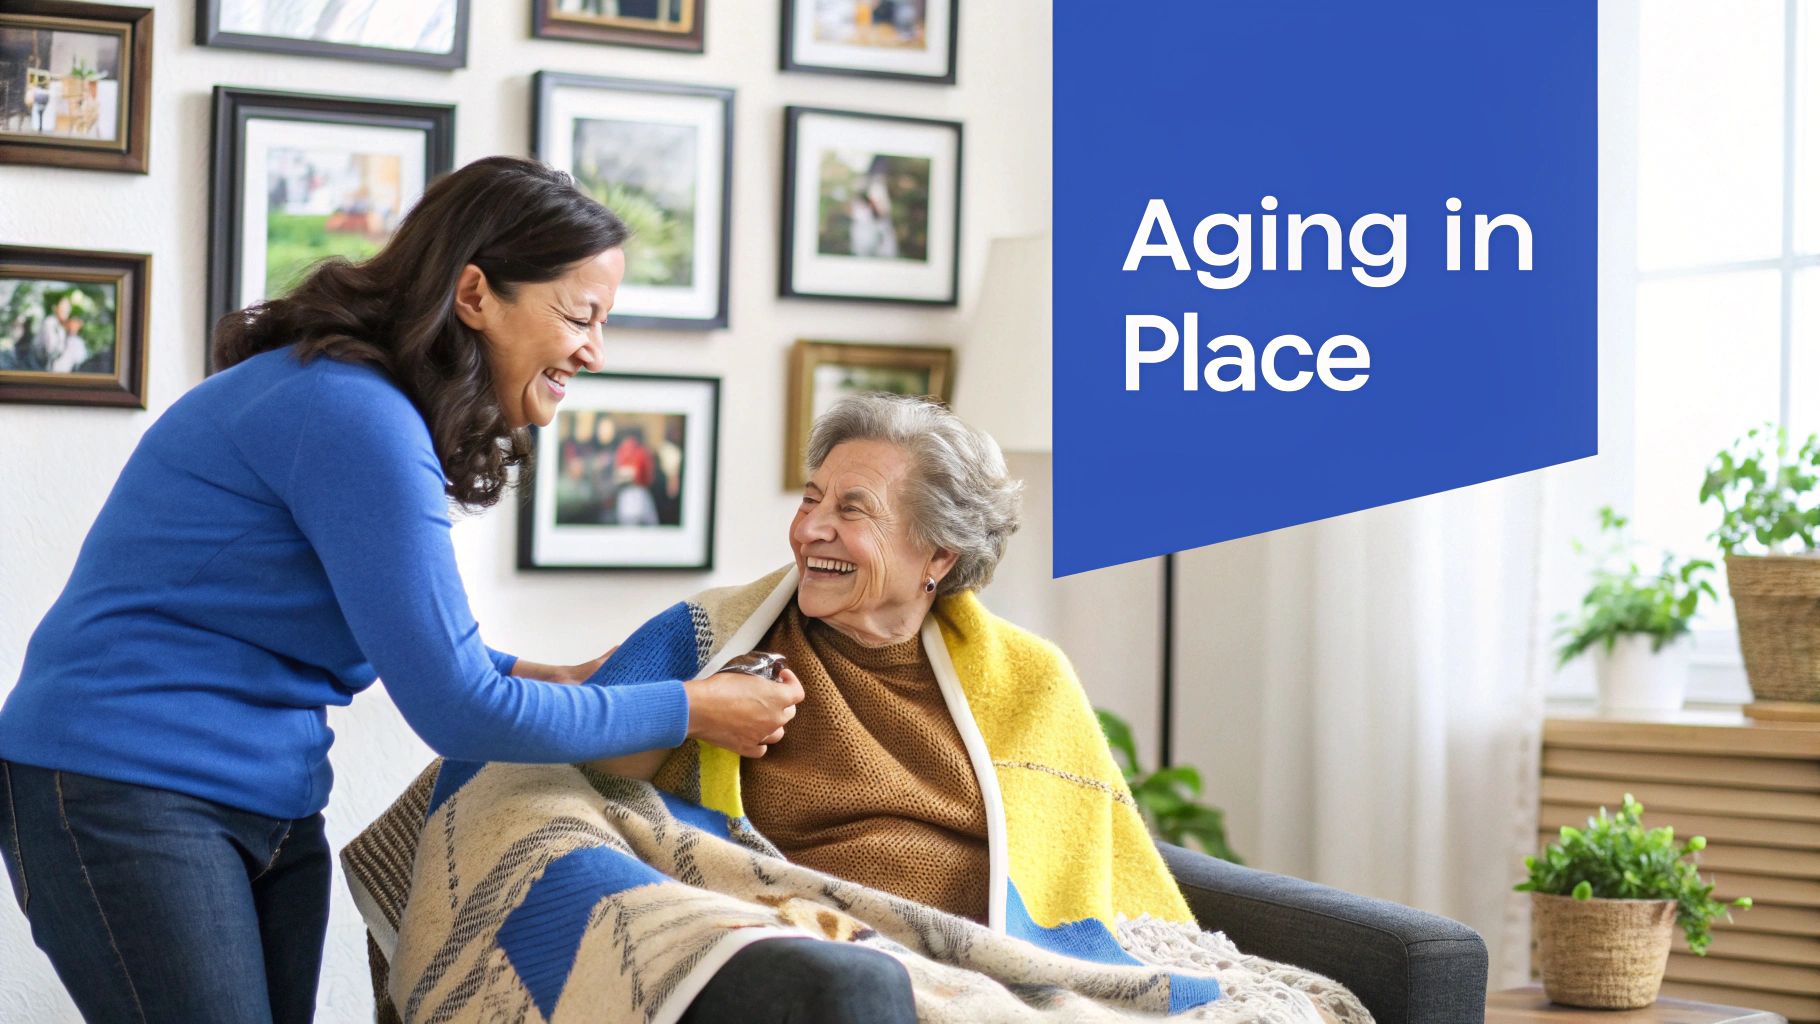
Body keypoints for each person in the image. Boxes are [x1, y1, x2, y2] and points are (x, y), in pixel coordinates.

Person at [0, 156, 803, 1024]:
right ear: (474, 295)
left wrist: (561, 677)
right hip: (122, 785)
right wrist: (691, 707)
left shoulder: (359, 404)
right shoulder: (352, 414)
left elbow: (404, 635)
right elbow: (461, 707)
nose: (593, 351)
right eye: (579, 315)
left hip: (266, 798)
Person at [351, 394, 1359, 1023]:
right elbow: (570, 769)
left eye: (850, 509)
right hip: (814, 952)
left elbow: (1087, 873)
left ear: (937, 556)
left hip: (984, 957)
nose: (810, 530)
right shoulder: (712, 642)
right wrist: (683, 715)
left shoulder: (1027, 680)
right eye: (810, 496)